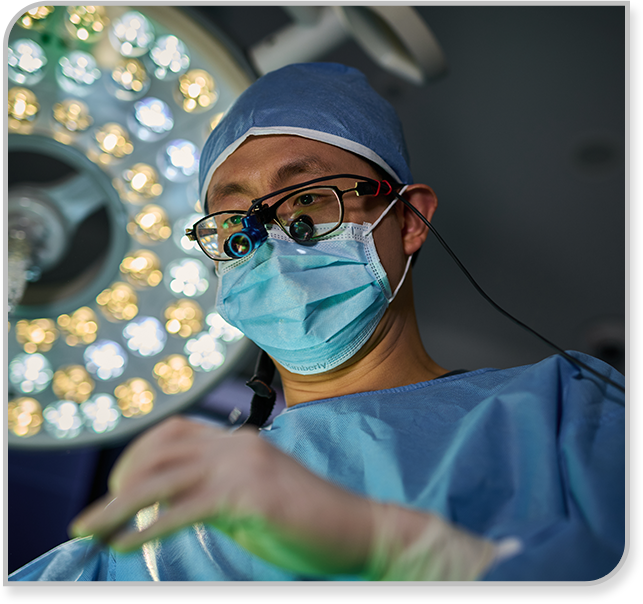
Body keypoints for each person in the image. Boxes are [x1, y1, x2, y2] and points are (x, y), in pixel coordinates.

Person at [9, 63, 625, 583]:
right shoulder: (163, 526)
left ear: (409, 219)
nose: (271, 245)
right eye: (236, 227)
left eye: (307, 202)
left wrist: (401, 550)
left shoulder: (564, 410)